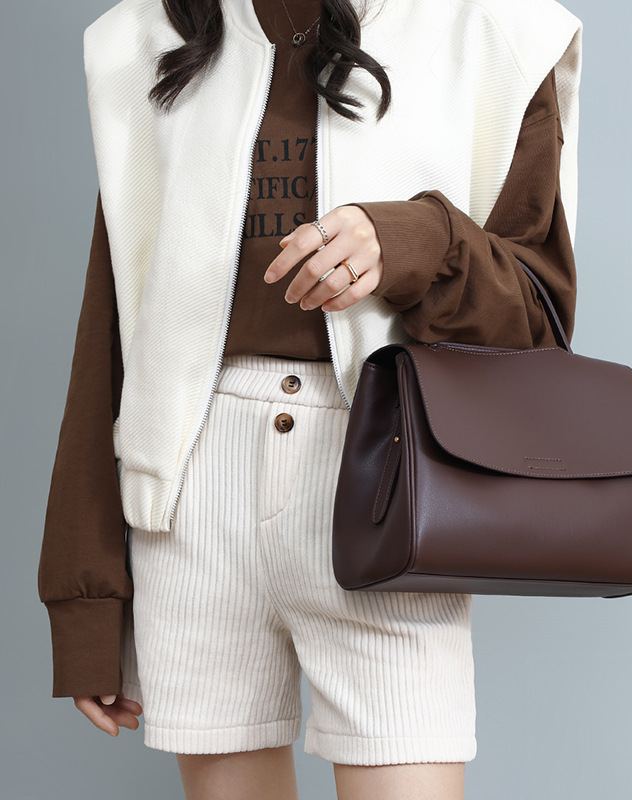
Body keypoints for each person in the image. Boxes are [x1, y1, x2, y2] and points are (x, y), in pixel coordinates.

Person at [37, 0, 582, 797]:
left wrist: (414, 239)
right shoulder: (149, 35)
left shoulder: (495, 31)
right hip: (191, 491)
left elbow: (538, 315)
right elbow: (117, 321)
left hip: (388, 478)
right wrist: (85, 596)